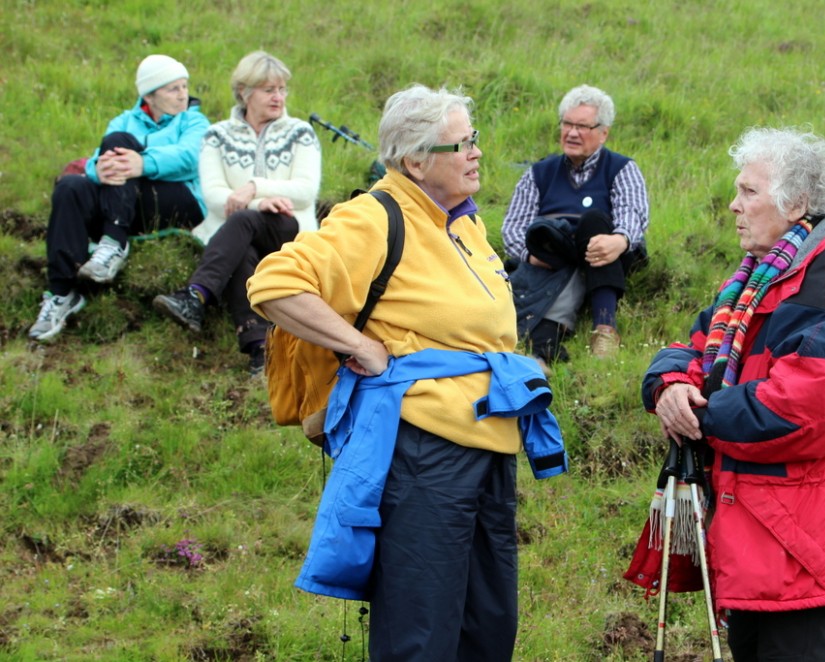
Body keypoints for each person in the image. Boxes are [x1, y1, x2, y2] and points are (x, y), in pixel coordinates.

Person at [246, 84, 565, 661]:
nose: (476, 153)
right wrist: (356, 346)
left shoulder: (462, 223)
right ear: (416, 159)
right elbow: (274, 284)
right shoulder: (375, 217)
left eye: (475, 140)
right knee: (420, 633)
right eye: (461, 143)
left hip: (488, 445)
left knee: (486, 628)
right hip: (422, 452)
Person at [641, 127, 825, 661]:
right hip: (752, 530)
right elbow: (690, 348)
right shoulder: (759, 278)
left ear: (799, 204)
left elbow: (805, 409)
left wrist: (696, 414)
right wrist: (670, 387)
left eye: (748, 192)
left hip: (802, 544)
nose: (732, 205)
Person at [153, 51, 320, 374]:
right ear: (245, 92)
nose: (278, 97)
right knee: (242, 243)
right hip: (239, 230)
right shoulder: (216, 135)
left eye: (282, 89)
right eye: (269, 89)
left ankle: (196, 296)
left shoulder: (300, 133)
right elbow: (214, 196)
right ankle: (260, 350)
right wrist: (260, 203)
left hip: (290, 229)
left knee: (240, 219)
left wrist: (253, 188)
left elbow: (305, 191)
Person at [28, 54, 208, 342]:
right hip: (125, 203)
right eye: (173, 89)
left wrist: (143, 163)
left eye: (185, 86)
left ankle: (113, 243)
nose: (183, 95)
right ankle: (61, 293)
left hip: (179, 200)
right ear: (150, 94)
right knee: (71, 187)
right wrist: (95, 170)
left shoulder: (194, 121)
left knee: (120, 145)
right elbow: (101, 162)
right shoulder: (123, 121)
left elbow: (189, 157)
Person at [501, 84, 649, 364]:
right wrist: (531, 255)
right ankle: (544, 348)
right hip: (555, 256)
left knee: (594, 222)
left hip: (607, 250)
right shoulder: (539, 173)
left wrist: (620, 240)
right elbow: (514, 226)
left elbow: (633, 213)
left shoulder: (621, 168)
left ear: (603, 132)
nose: (571, 132)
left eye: (582, 126)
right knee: (550, 239)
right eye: (567, 124)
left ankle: (605, 328)